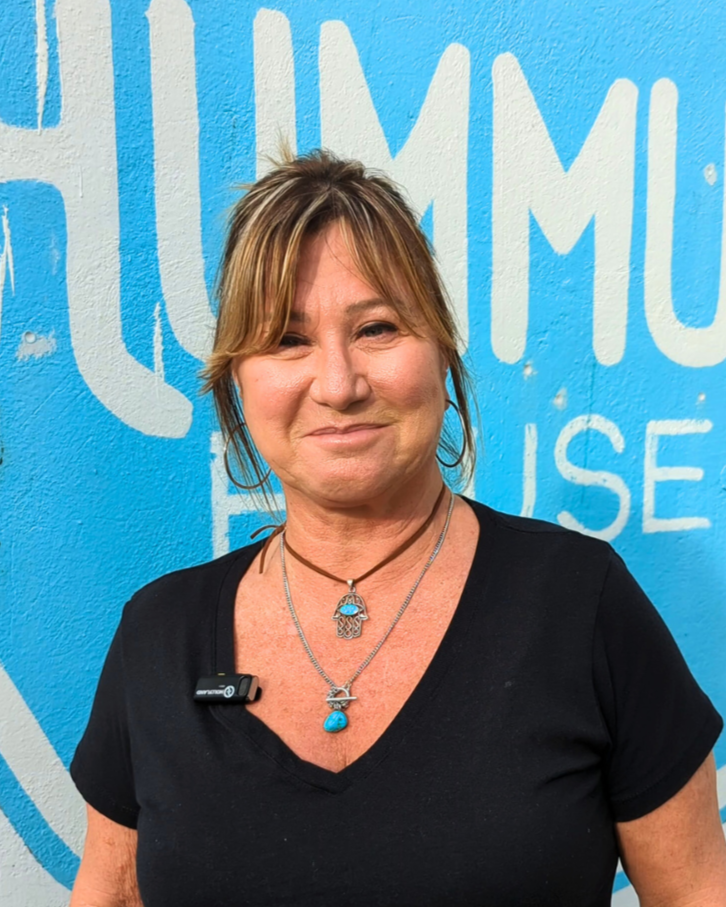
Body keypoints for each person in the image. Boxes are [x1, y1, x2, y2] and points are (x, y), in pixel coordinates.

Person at [70, 150, 726, 907]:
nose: (339, 384)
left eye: (377, 328)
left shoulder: (582, 604)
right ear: (236, 382)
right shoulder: (158, 634)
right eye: (287, 340)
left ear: (441, 355)